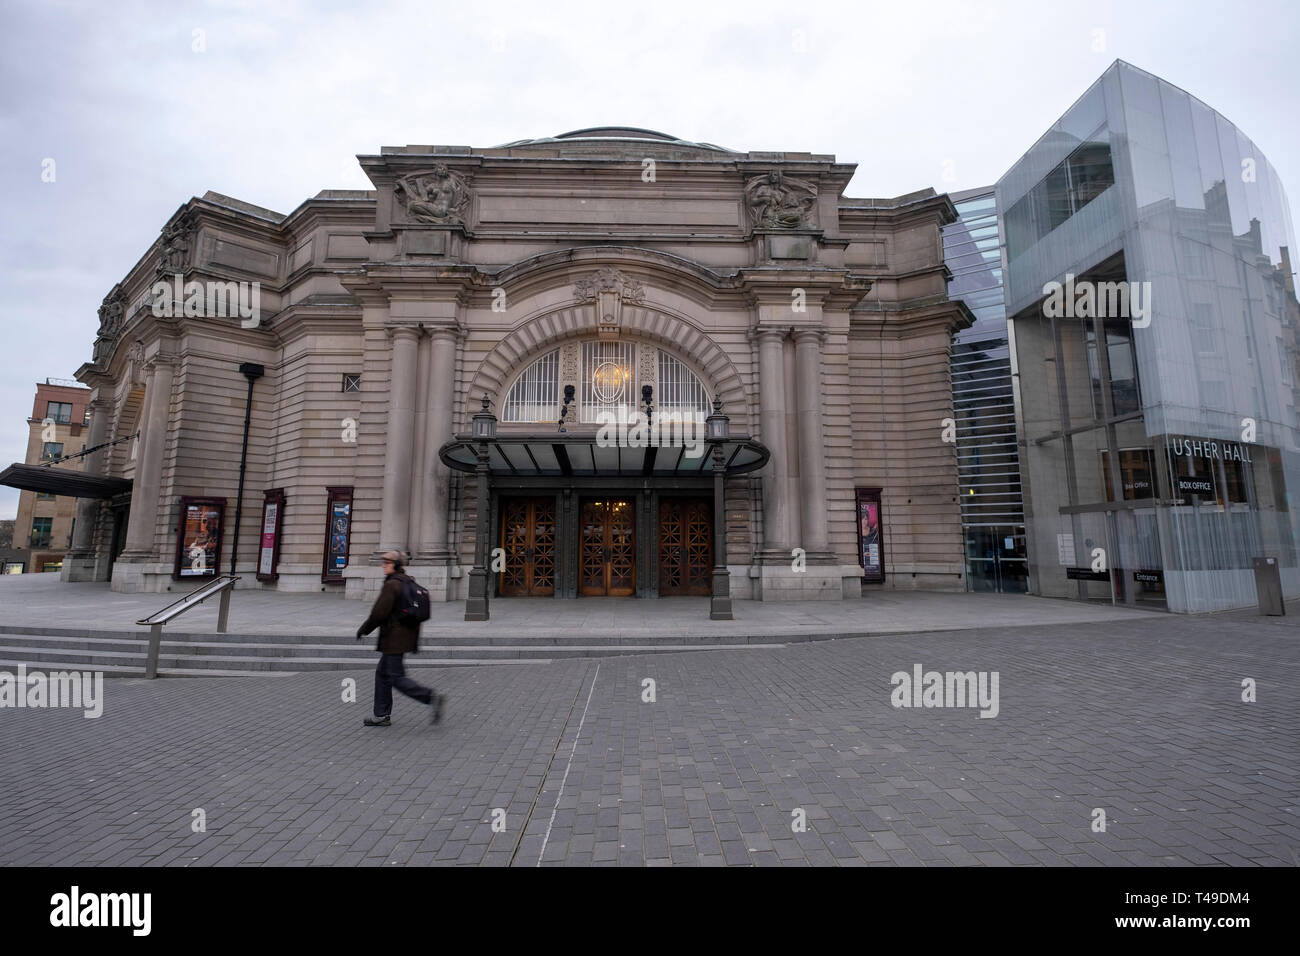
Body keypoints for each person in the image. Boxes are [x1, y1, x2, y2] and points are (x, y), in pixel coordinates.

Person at [356, 550, 444, 727]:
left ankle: (430, 697)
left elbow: (379, 613)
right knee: (382, 674)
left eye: (387, 563)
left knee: (396, 677)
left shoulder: (392, 585)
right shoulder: (406, 581)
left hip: (394, 638)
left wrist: (364, 629)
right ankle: (381, 714)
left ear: (396, 565)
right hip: (403, 636)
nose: (383, 566)